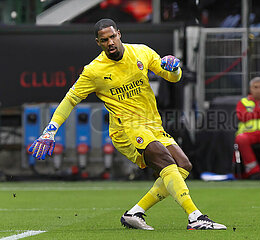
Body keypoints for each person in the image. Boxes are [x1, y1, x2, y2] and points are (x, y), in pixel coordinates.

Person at [29, 19, 226, 231]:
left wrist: (175, 68)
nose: (110, 42)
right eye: (104, 40)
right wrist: (50, 131)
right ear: (98, 43)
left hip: (152, 124)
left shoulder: (141, 52)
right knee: (165, 161)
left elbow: (172, 76)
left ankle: (134, 213)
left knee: (183, 165)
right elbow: (70, 100)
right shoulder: (94, 71)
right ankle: (195, 217)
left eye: (112, 37)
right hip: (126, 129)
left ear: (119, 34)